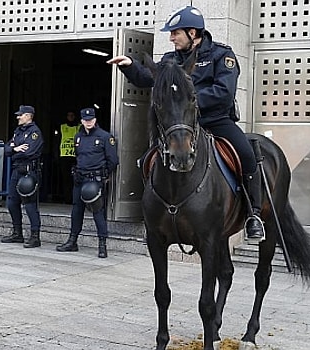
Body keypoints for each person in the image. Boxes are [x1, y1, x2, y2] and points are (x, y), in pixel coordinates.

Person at [106, 5, 265, 242]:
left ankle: (254, 214)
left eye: (174, 33)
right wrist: (129, 64)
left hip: (215, 120)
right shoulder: (171, 59)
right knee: (146, 161)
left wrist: (186, 99)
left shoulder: (223, 55)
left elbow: (224, 92)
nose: (171, 38)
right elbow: (150, 79)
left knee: (247, 155)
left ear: (192, 32)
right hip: (181, 126)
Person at [56, 107, 119, 258]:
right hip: (80, 179)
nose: (88, 122)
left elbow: (113, 161)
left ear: (95, 120)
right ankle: (72, 241)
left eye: (91, 119)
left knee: (98, 212)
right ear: (82, 121)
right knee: (76, 211)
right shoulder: (78, 137)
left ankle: (102, 245)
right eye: (85, 120)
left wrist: (104, 175)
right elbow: (78, 156)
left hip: (94, 180)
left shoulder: (105, 137)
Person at [0, 105, 44, 248]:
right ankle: (17, 233)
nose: (18, 117)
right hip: (17, 170)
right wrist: (15, 149)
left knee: (30, 204)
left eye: (21, 115)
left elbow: (29, 152)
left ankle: (35, 236)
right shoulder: (18, 131)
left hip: (29, 171)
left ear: (29, 116)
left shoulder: (35, 133)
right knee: (12, 202)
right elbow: (6, 149)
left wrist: (14, 152)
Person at [56, 111, 79, 203]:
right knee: (66, 180)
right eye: (69, 115)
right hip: (64, 156)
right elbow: (57, 142)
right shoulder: (62, 127)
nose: (71, 117)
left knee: (77, 179)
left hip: (76, 157)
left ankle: (76, 199)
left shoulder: (79, 127)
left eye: (72, 115)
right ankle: (67, 199)